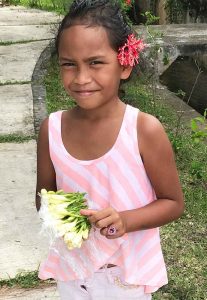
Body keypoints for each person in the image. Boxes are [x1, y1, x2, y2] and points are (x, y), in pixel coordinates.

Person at [36, 1, 184, 299]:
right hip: (74, 271)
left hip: (125, 276)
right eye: (69, 64)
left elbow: (172, 203)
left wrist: (124, 220)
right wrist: (61, 213)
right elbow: (43, 198)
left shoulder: (143, 130)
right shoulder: (51, 129)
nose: (81, 78)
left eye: (95, 62)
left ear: (125, 64)